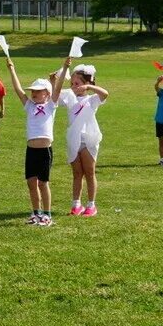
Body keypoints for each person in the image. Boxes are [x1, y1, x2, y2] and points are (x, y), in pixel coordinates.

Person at [6, 56, 66, 226]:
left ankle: (47, 214)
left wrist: (65, 68)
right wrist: (12, 69)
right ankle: (35, 213)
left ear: (47, 93)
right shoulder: (29, 106)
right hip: (31, 150)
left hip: (44, 150)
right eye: (33, 91)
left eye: (38, 91)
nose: (34, 93)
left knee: (43, 183)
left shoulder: (50, 106)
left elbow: (58, 88)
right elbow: (18, 90)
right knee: (31, 182)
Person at [57, 60, 110, 217]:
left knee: (89, 172)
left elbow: (105, 94)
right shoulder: (69, 96)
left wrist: (89, 87)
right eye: (72, 83)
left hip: (89, 140)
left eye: (78, 83)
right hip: (74, 139)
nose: (74, 86)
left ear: (86, 83)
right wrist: (55, 79)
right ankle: (76, 204)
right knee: (77, 173)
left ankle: (91, 205)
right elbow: (55, 94)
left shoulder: (92, 99)